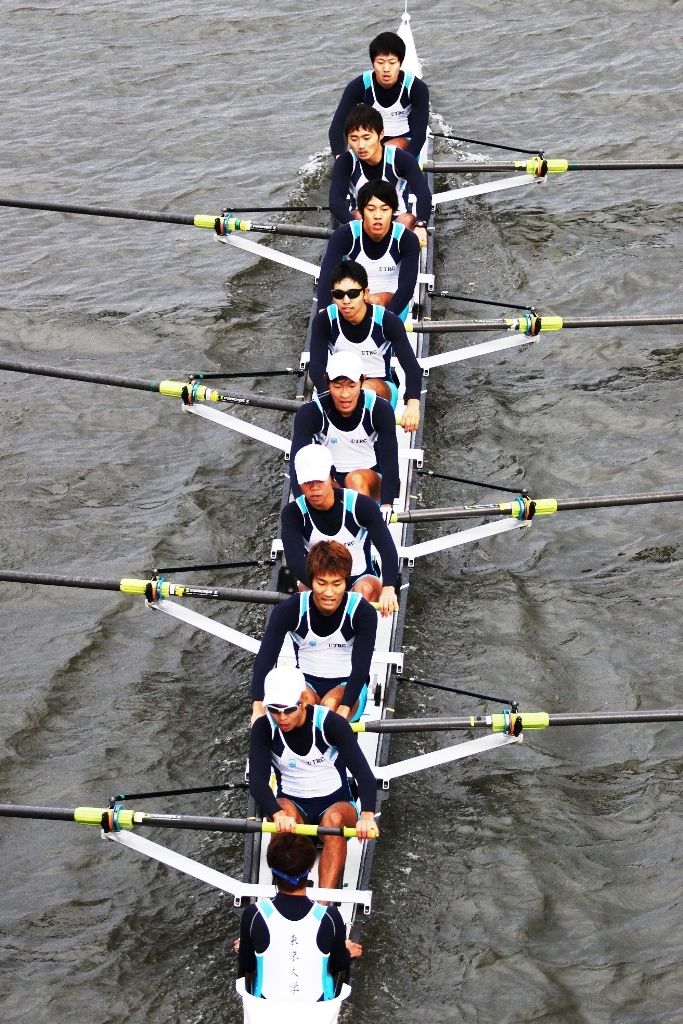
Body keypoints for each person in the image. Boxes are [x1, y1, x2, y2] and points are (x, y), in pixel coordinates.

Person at [249, 665, 380, 889]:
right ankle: (283, 891)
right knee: (281, 809)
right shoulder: (264, 728)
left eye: (288, 710)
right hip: (293, 810)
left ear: (303, 700)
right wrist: (277, 813)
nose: (281, 718)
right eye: (274, 710)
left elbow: (364, 774)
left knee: (333, 819)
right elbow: (257, 782)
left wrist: (367, 815)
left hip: (337, 805)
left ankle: (324, 902)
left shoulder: (331, 723)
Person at [251, 541, 378, 721]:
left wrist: (343, 711)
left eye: (336, 584)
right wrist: (257, 706)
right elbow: (265, 658)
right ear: (311, 581)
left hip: (348, 686)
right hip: (306, 683)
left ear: (346, 582)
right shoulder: (290, 609)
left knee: (329, 707)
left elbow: (361, 668)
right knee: (295, 710)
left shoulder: (362, 611)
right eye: (321, 583)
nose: (329, 593)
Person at [237, 833, 362, 1001]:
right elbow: (338, 964)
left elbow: (247, 965)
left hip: (265, 1009)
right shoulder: (330, 917)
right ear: (310, 868)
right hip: (319, 1009)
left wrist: (246, 946)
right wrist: (345, 952)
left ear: (271, 868)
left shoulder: (253, 915)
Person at [282, 443, 399, 614]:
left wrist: (389, 587)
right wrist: (328, 590)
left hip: (360, 578)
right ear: (299, 483)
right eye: (307, 482)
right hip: (319, 581)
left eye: (319, 480)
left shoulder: (360, 505)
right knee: (305, 594)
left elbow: (387, 550)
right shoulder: (293, 513)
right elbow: (295, 561)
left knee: (364, 591)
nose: (314, 488)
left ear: (331, 475)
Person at [309, 259, 422, 432]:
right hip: (340, 386)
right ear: (332, 296)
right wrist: (327, 397)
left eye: (353, 293)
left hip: (381, 386)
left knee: (361, 390)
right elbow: (317, 368)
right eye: (339, 294)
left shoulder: (387, 321)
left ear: (365, 293)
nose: (346, 300)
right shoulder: (324, 321)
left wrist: (413, 405)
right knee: (344, 392)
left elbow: (412, 367)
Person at [290, 350, 399, 511]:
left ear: (362, 381)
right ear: (327, 382)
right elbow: (297, 465)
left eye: (352, 386)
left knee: (355, 479)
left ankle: (363, 519)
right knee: (321, 487)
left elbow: (390, 462)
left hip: (370, 479)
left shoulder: (379, 409)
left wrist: (387, 505)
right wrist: (303, 509)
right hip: (329, 478)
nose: (345, 395)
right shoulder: (310, 413)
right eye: (337, 386)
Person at [317, 180, 421, 320]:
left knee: (375, 301)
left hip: (391, 299)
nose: (378, 216)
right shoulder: (344, 235)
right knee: (345, 300)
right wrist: (322, 313)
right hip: (353, 296)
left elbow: (406, 289)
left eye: (384, 209)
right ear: (361, 212)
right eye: (371, 209)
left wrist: (384, 322)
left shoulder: (407, 239)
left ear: (393, 212)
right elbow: (326, 277)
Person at [329, 103, 431, 245]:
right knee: (358, 215)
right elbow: (336, 202)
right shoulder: (345, 162)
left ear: (380, 134)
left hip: (397, 218)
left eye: (366, 137)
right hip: (362, 219)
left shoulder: (400, 158)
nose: (361, 145)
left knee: (408, 219)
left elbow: (424, 195)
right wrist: (356, 227)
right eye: (354, 139)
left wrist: (421, 224)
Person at [329, 31, 430, 159]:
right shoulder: (358, 86)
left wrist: (407, 162)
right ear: (373, 63)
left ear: (400, 63)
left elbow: (420, 134)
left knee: (388, 150)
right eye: (380, 62)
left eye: (392, 62)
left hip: (405, 138)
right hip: (371, 138)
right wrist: (340, 158)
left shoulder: (416, 88)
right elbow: (337, 126)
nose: (386, 69)